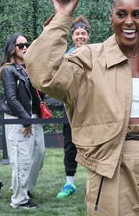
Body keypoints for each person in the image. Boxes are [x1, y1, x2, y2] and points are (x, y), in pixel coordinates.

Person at [25, 0, 139, 216]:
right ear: (111, 17)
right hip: (110, 167)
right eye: (121, 14)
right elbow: (43, 73)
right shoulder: (88, 59)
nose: (129, 21)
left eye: (137, 14)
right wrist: (62, 18)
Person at [0, 33, 45, 210]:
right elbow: (11, 98)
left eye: (27, 44)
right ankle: (19, 199)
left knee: (39, 154)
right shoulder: (8, 70)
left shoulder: (29, 67)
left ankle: (25, 188)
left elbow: (38, 93)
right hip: (18, 118)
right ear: (12, 49)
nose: (25, 47)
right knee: (21, 159)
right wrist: (25, 121)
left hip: (33, 117)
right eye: (21, 45)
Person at [57, 16, 91, 199]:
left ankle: (93, 183)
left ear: (88, 36)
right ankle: (69, 184)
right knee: (70, 146)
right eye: (77, 34)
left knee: (93, 146)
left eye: (83, 33)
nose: (80, 37)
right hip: (71, 108)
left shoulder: (95, 54)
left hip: (92, 109)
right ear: (72, 36)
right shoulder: (66, 57)